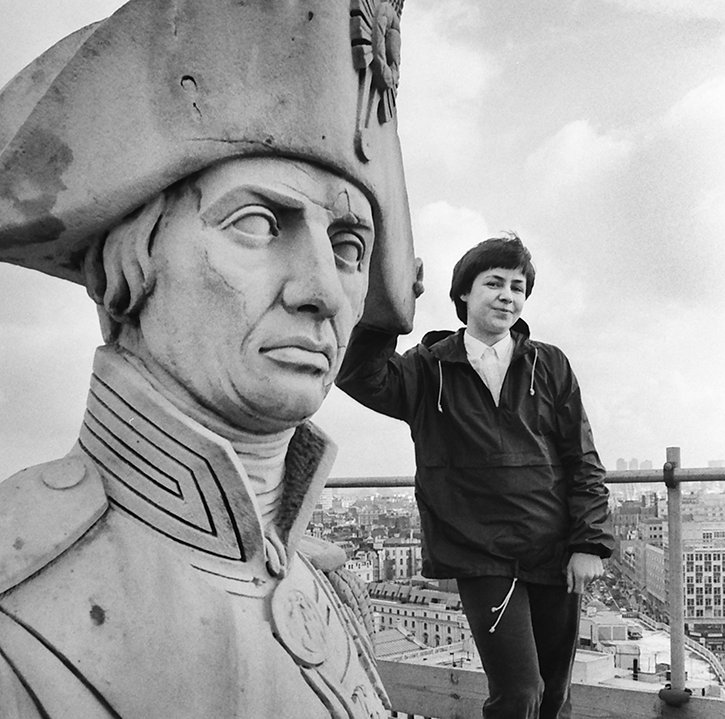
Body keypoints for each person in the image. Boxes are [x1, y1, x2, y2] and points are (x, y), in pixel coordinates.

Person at [0, 1, 417, 717]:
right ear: (125, 267)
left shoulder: (331, 591)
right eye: (257, 223)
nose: (323, 290)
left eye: (348, 246)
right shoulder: (17, 602)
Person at [336, 234, 615, 719]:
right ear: (464, 292)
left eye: (518, 286)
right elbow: (359, 374)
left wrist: (589, 543)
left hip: (551, 548)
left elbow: (582, 458)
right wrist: (389, 307)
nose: (508, 295)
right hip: (479, 553)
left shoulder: (548, 364)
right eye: (495, 283)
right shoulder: (428, 369)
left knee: (554, 693)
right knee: (519, 691)